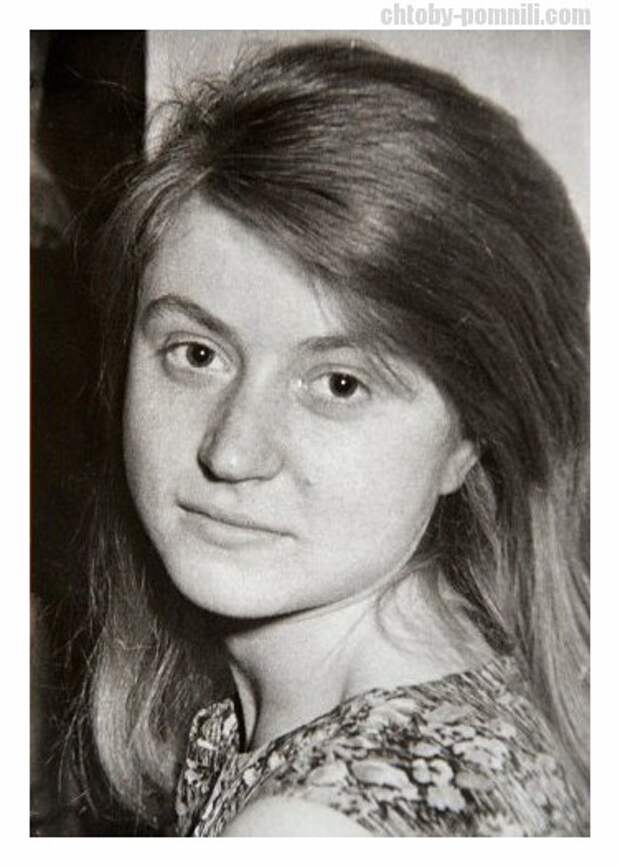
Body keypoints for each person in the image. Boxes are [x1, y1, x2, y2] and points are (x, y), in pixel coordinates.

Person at [67, 39, 589, 836]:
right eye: (197, 354)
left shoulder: (309, 826)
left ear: (470, 439)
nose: (232, 452)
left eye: (340, 384)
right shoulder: (465, 689)